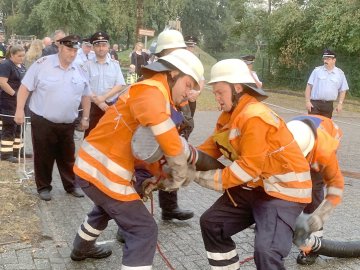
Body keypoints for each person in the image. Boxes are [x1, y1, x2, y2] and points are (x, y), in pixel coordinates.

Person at [69, 49, 204, 268]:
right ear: (172, 74)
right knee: (143, 230)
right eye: (188, 85)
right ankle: (83, 248)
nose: (189, 93)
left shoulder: (155, 93)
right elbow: (166, 137)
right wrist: (180, 168)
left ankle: (81, 248)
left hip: (93, 168)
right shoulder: (151, 90)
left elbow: (145, 148)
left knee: (105, 208)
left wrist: (157, 177)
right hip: (104, 173)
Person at [187, 59, 312, 270]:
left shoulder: (256, 116)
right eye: (215, 93)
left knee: (266, 251)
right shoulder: (230, 116)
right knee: (212, 223)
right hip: (256, 187)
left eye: (220, 92)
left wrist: (197, 176)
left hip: (283, 193)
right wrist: (181, 159)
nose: (216, 98)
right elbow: (209, 149)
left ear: (237, 88)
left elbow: (247, 169)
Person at [14, 35, 91, 201]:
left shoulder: (79, 69)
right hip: (43, 120)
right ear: (60, 48)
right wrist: (19, 110)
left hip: (68, 122)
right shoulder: (42, 65)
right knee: (43, 155)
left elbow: (86, 95)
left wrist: (85, 117)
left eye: (75, 51)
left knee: (68, 156)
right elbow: (25, 88)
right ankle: (43, 187)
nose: (72, 54)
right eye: (69, 50)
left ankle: (71, 185)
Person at [286, 115, 344, 265]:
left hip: (326, 139)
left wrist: (317, 218)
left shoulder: (324, 152)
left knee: (314, 192)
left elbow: (336, 187)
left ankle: (311, 249)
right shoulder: (282, 137)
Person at [83, 31, 126, 138]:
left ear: (108, 46)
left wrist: (104, 98)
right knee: (90, 138)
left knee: (110, 139)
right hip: (92, 108)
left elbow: (119, 85)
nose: (101, 48)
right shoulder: (87, 65)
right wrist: (99, 102)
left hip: (111, 107)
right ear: (93, 47)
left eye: (103, 45)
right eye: (97, 45)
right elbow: (85, 86)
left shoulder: (115, 65)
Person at [0, 45, 26, 163]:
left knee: (19, 126)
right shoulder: (6, 65)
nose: (22, 58)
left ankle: (17, 151)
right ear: (12, 55)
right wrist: (15, 94)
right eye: (19, 56)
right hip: (8, 101)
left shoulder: (22, 66)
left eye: (23, 56)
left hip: (19, 101)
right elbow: (2, 82)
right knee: (9, 126)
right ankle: (6, 153)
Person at [305, 49, 349, 119]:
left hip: (328, 105)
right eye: (324, 59)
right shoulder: (317, 71)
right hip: (314, 104)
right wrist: (307, 101)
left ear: (334, 60)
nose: (325, 61)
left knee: (325, 127)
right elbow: (309, 86)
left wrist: (340, 103)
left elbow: (343, 90)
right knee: (313, 126)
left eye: (328, 59)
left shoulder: (340, 74)